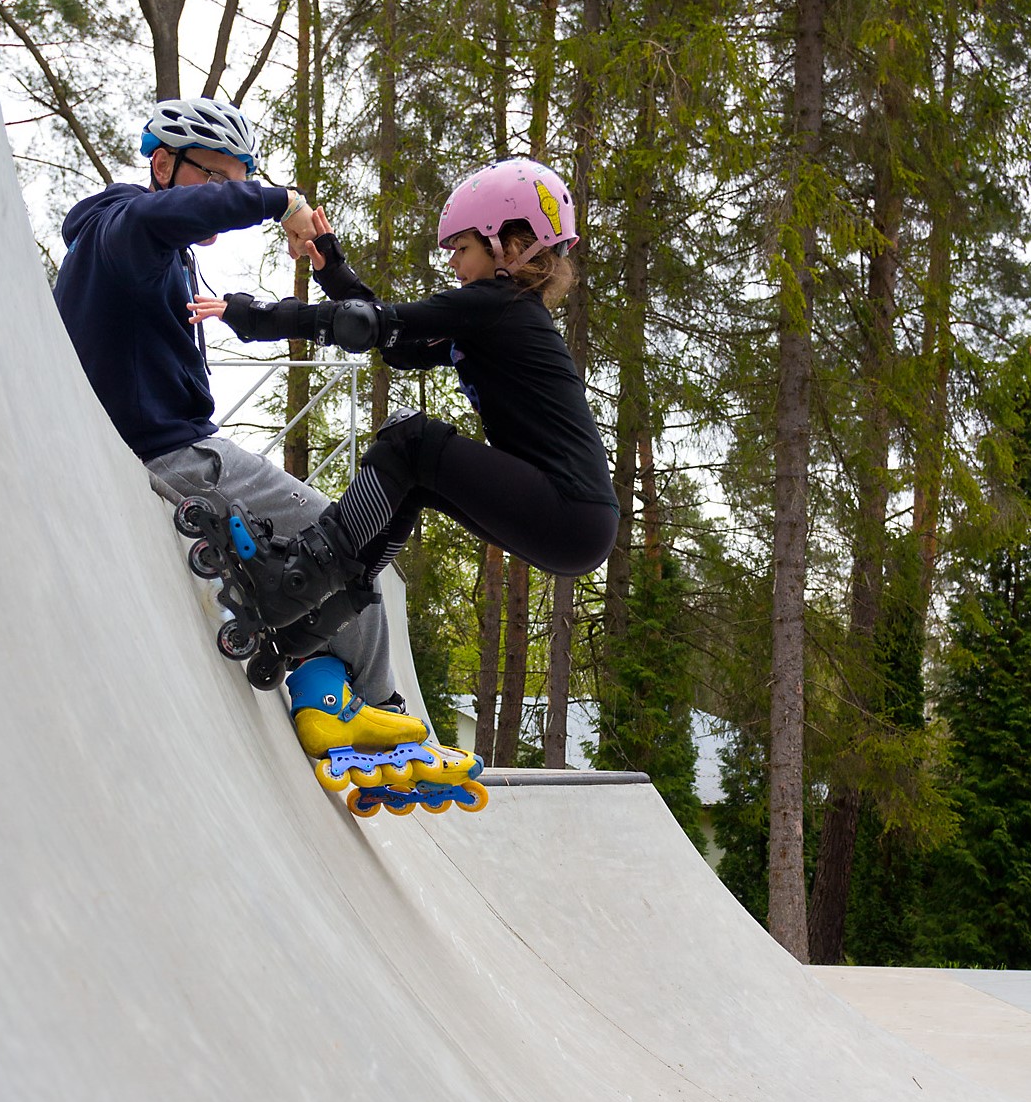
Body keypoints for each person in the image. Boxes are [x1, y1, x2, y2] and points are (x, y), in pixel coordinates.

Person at [52, 96, 459, 778]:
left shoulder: (160, 252)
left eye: (235, 179)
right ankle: (378, 708)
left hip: (170, 441)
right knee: (347, 530)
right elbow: (168, 213)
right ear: (161, 163)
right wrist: (279, 200)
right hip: (171, 447)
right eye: (212, 177)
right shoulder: (122, 228)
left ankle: (320, 680)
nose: (223, 196)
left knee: (297, 565)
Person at [186, 158, 618, 631]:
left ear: (508, 245)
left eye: (463, 246)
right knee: (415, 479)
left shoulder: (498, 305)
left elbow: (365, 325)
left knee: (413, 442)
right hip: (579, 526)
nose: (452, 261)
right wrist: (333, 271)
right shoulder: (501, 316)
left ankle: (295, 580)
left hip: (569, 510)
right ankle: (317, 620)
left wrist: (247, 314)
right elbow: (397, 344)